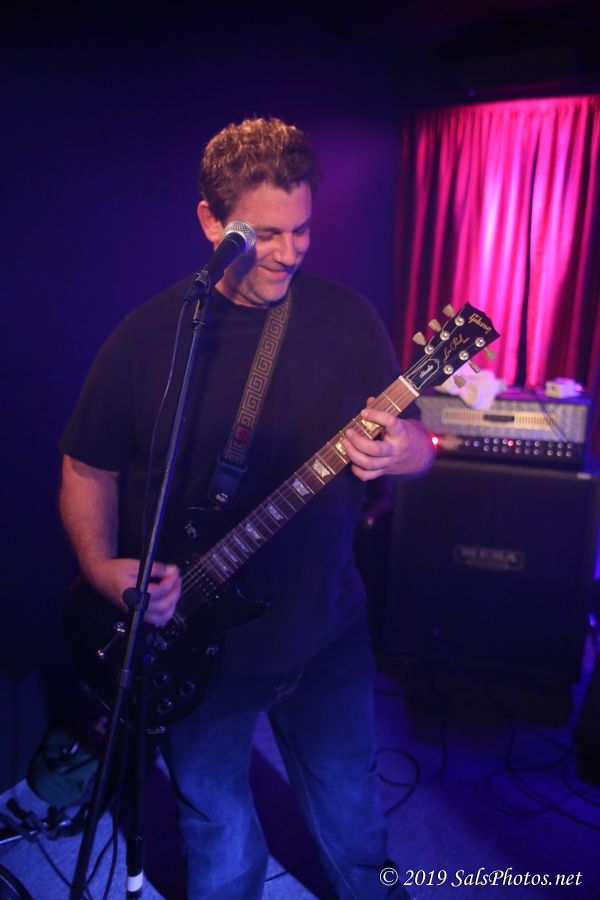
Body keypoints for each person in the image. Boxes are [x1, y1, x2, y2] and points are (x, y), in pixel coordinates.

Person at [59, 117, 433, 899]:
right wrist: (100, 566)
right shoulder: (150, 337)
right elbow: (87, 466)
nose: (290, 252)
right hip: (199, 648)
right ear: (211, 222)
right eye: (265, 234)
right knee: (220, 837)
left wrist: (406, 452)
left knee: (355, 819)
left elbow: (418, 445)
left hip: (327, 631)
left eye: (303, 229)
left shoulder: (349, 320)